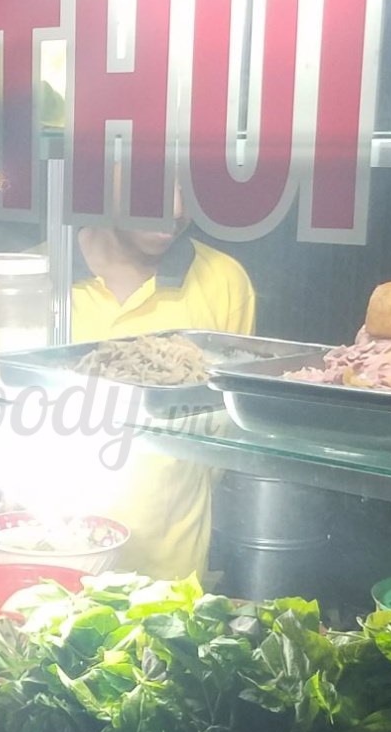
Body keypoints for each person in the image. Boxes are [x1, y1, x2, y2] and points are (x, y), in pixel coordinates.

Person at [70, 189, 256, 578]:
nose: (175, 209)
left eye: (187, 186)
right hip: (50, 558)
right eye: (152, 181)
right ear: (105, 172)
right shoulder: (34, 277)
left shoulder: (224, 281)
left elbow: (223, 436)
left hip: (170, 577)